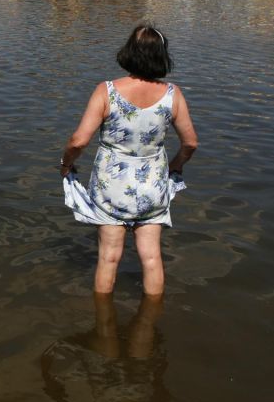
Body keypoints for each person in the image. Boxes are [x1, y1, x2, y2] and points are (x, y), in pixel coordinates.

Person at [61, 24, 198, 295]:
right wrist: (175, 167)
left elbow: (79, 140)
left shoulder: (107, 91)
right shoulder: (173, 95)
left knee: (108, 258)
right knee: (151, 258)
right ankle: (149, 326)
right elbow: (191, 143)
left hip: (111, 185)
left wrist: (66, 164)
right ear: (161, 55)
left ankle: (103, 328)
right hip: (153, 185)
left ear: (129, 52)